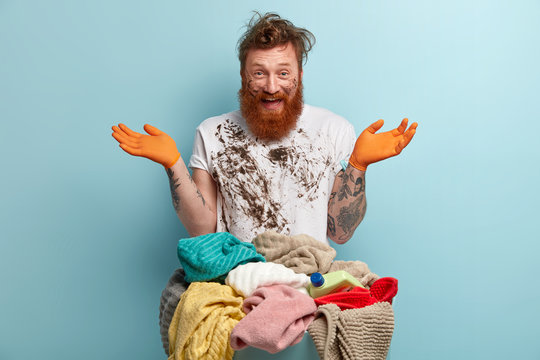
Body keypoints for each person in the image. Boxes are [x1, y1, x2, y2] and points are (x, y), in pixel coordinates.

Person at [111, 12, 417, 245]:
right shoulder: (211, 132)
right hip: (234, 288)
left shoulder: (333, 129)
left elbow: (340, 232)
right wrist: (173, 165)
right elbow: (202, 229)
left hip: (307, 288)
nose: (272, 87)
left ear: (299, 73)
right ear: (244, 75)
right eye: (259, 73)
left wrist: (358, 166)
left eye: (283, 72)